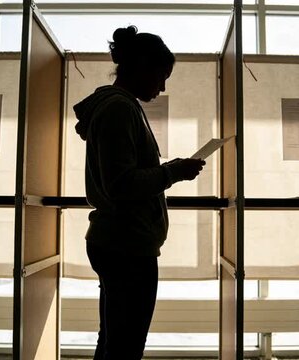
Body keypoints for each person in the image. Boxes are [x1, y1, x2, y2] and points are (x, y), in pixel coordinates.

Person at [73, 25, 206, 360]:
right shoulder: (120, 109)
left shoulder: (117, 106)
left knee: (115, 338)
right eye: (161, 77)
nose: (162, 88)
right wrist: (173, 172)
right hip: (126, 245)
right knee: (125, 344)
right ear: (141, 66)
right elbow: (122, 185)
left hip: (119, 241)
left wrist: (169, 170)